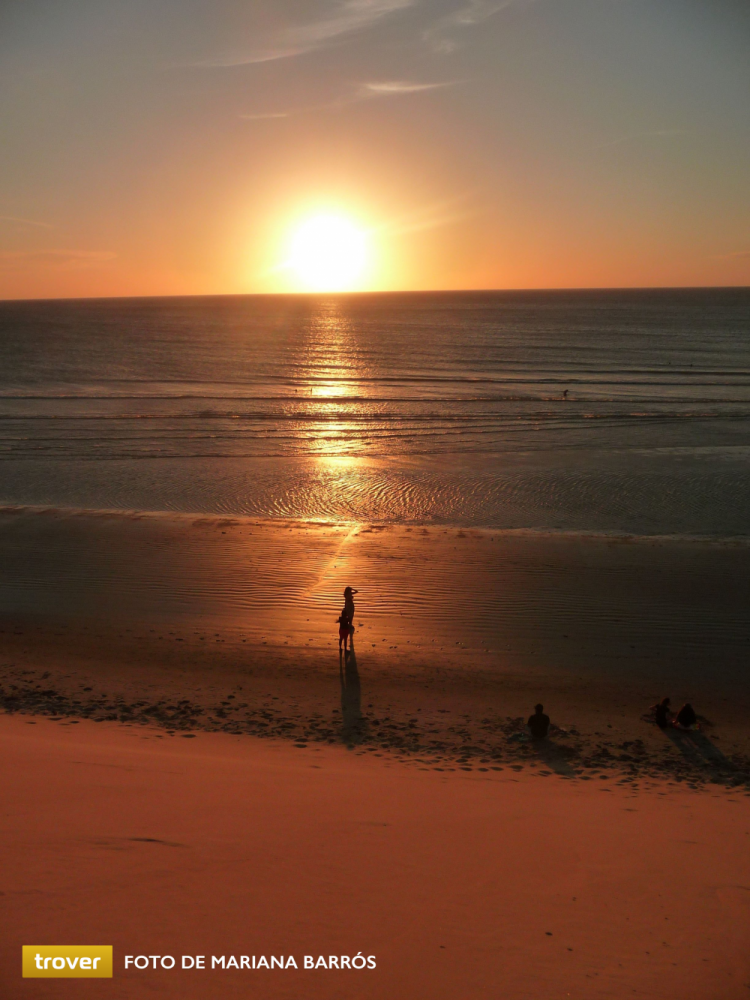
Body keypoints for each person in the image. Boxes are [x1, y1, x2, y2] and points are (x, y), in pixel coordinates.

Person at [337, 586, 358, 654]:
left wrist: (352, 589)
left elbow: (356, 592)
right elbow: (356, 591)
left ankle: (349, 625)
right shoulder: (349, 595)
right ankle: (349, 625)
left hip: (348, 606)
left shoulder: (346, 595)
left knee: (349, 616)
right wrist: (353, 589)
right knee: (350, 616)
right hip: (350, 606)